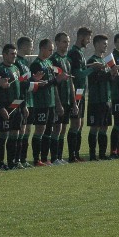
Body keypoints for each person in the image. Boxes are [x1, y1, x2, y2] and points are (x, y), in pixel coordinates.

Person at [0, 43, 33, 169]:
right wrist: (1, 107)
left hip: (17, 105)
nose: (14, 56)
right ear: (4, 54)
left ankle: (13, 163)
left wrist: (24, 105)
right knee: (4, 135)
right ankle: (1, 163)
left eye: (15, 54)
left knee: (15, 134)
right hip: (5, 106)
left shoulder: (16, 68)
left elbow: (21, 88)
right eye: (12, 54)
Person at [29, 39, 67, 166]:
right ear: (42, 49)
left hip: (51, 102)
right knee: (40, 129)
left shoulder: (49, 63)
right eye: (50, 49)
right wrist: (57, 80)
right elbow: (39, 85)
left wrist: (58, 102)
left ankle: (45, 158)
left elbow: (53, 85)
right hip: (41, 102)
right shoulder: (36, 65)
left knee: (49, 130)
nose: (51, 52)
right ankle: (36, 159)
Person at [86, 35, 118, 160]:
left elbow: (109, 80)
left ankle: (102, 154)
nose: (106, 45)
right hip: (95, 100)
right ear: (96, 44)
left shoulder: (106, 61)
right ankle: (92, 155)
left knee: (104, 127)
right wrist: (108, 73)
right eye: (103, 43)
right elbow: (93, 79)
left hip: (107, 99)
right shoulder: (91, 61)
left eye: (106, 43)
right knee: (95, 127)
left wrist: (113, 74)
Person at [67, 27, 94, 163]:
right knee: (75, 124)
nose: (89, 41)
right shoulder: (74, 53)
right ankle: (72, 156)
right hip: (75, 92)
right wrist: (92, 68)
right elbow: (77, 74)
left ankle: (76, 154)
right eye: (88, 38)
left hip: (81, 92)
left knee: (80, 124)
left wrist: (90, 66)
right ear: (82, 37)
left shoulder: (80, 53)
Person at [50, 33, 76, 164]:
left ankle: (60, 157)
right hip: (58, 100)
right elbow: (54, 83)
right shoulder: (53, 60)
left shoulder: (67, 60)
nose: (67, 44)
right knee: (57, 128)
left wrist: (74, 101)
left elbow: (70, 82)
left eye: (68, 42)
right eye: (64, 42)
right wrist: (57, 103)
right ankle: (54, 158)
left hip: (67, 99)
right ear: (57, 43)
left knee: (63, 128)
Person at [14, 37, 35, 168]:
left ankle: (23, 158)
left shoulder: (26, 62)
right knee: (20, 131)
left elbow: (27, 81)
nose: (31, 48)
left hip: (30, 99)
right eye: (30, 46)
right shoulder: (16, 62)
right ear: (23, 46)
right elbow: (19, 84)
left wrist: (35, 80)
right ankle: (16, 160)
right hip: (22, 101)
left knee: (27, 130)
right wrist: (23, 104)